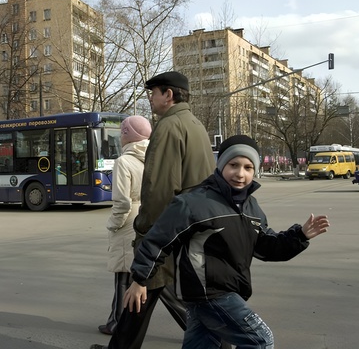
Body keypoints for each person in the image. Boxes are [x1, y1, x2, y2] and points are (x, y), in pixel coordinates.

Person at [123, 135, 330, 348]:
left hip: (227, 292)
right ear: (221, 165)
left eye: (248, 167)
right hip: (209, 294)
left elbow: (266, 246)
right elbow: (157, 241)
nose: (240, 174)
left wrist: (300, 236)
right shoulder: (193, 203)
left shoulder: (251, 206)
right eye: (233, 165)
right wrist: (140, 280)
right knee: (260, 340)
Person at [91, 71, 216, 349]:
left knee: (143, 289)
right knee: (146, 295)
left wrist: (143, 233)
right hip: (191, 227)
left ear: (167, 95)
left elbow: (159, 189)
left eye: (153, 92)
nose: (150, 98)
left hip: (169, 231)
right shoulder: (195, 124)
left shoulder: (168, 126)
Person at [98, 116, 152, 335]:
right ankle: (116, 320)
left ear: (128, 135)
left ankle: (117, 323)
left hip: (129, 220)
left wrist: (113, 224)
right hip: (147, 217)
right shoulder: (153, 158)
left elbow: (121, 202)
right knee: (139, 275)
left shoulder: (124, 162)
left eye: (122, 132)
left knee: (122, 275)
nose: (120, 137)